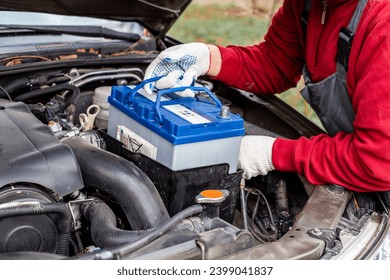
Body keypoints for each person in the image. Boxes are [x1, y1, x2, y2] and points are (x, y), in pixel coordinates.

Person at [143, 0, 390, 192]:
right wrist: (207, 57)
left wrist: (273, 153)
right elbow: (276, 63)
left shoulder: (382, 22)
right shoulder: (308, 4)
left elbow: (378, 161)